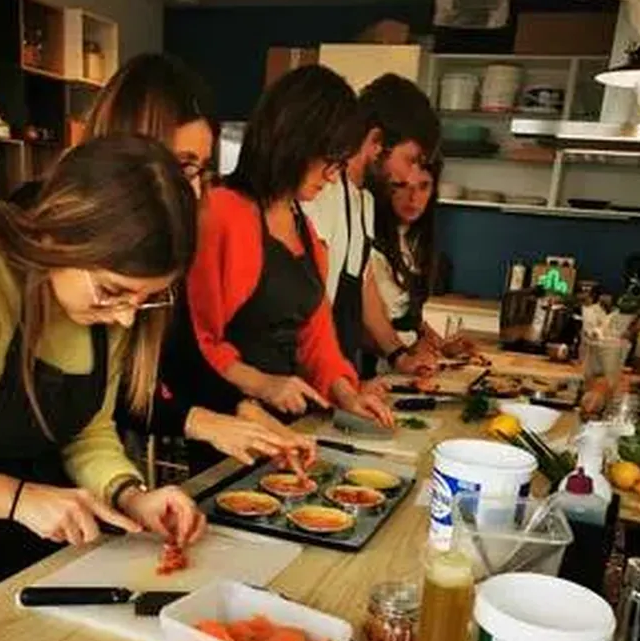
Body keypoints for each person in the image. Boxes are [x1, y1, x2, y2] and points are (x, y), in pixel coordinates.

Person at [0, 135, 206, 635]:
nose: (127, 319)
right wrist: (18, 498)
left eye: (146, 300)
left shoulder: (108, 314)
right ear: (61, 234)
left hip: (22, 566)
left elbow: (88, 432)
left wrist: (130, 493)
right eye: (114, 292)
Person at [10, 53, 314, 470]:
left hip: (89, 464)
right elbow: (91, 399)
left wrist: (244, 410)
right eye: (181, 166)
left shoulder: (164, 240)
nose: (190, 191)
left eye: (200, 172)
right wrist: (202, 420)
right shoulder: (33, 227)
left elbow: (179, 356)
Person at [178, 65, 394, 432]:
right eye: (329, 162)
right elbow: (198, 340)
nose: (332, 177)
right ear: (294, 143)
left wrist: (345, 391)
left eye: (339, 165)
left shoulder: (305, 229)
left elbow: (317, 337)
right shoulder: (221, 212)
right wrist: (263, 384)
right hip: (229, 421)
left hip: (290, 423)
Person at [301, 74, 441, 377]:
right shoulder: (322, 193)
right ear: (377, 142)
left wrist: (398, 356)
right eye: (411, 159)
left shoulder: (363, 200)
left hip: (336, 372)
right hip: (305, 374)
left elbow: (364, 289)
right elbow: (312, 301)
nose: (409, 175)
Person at [370, 161, 449, 371]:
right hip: (372, 367)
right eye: (402, 186)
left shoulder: (412, 240)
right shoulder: (370, 242)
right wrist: (409, 350)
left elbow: (406, 315)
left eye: (424, 186)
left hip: (400, 365)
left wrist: (440, 344)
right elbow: (364, 322)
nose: (413, 198)